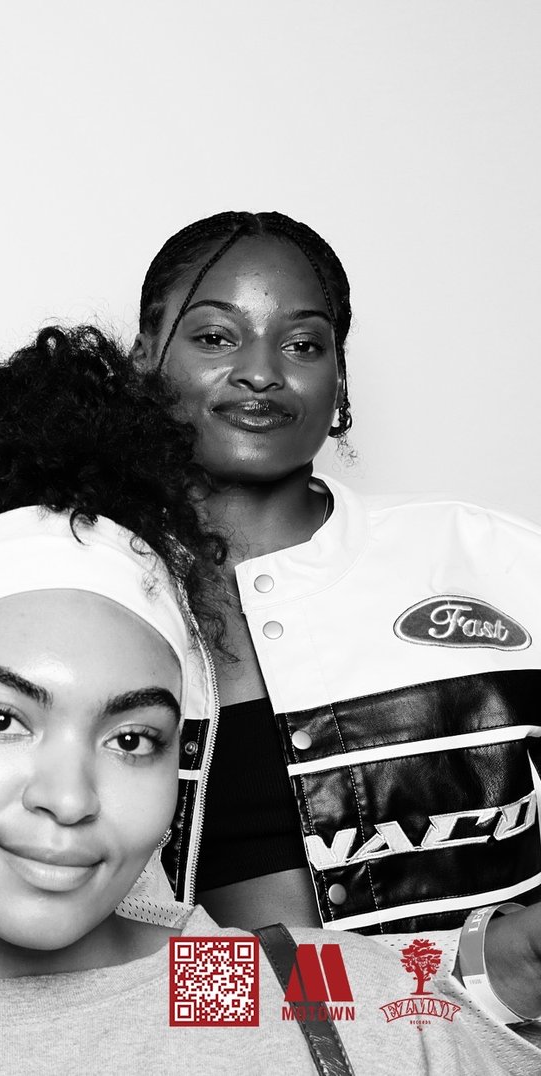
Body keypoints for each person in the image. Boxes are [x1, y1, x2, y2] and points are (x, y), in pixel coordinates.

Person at [0, 326, 541, 1076]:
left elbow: (424, 994)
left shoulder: (285, 990)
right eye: (2, 720)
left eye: (132, 737)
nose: (68, 799)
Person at [134, 212, 541, 1024]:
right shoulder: (87, 602)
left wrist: (509, 977)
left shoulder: (485, 557)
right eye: (215, 338)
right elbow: (94, 968)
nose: (260, 373)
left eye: (303, 343)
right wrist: (450, 980)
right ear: (147, 361)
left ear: (339, 376)